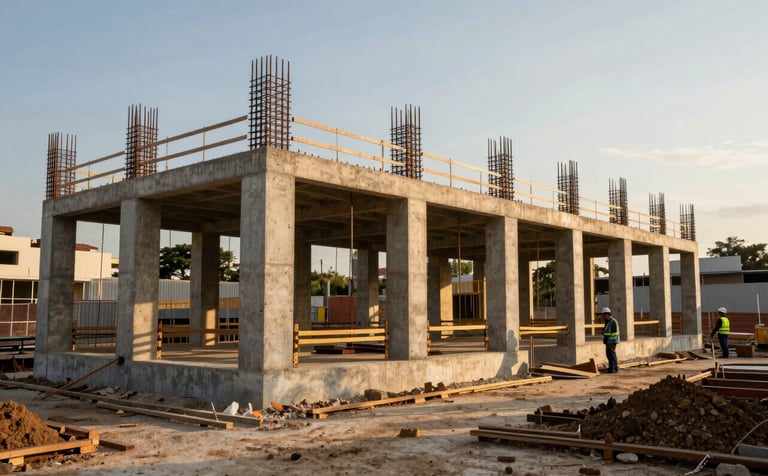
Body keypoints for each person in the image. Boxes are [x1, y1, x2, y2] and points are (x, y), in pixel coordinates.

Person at [600, 307, 620, 373]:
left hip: (612, 341)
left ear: (607, 314)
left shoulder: (613, 321)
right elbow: (607, 330)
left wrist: (605, 334)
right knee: (609, 355)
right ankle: (611, 367)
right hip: (608, 341)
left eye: (603, 315)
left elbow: (613, 332)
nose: (602, 317)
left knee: (612, 355)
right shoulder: (608, 322)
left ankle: (614, 368)